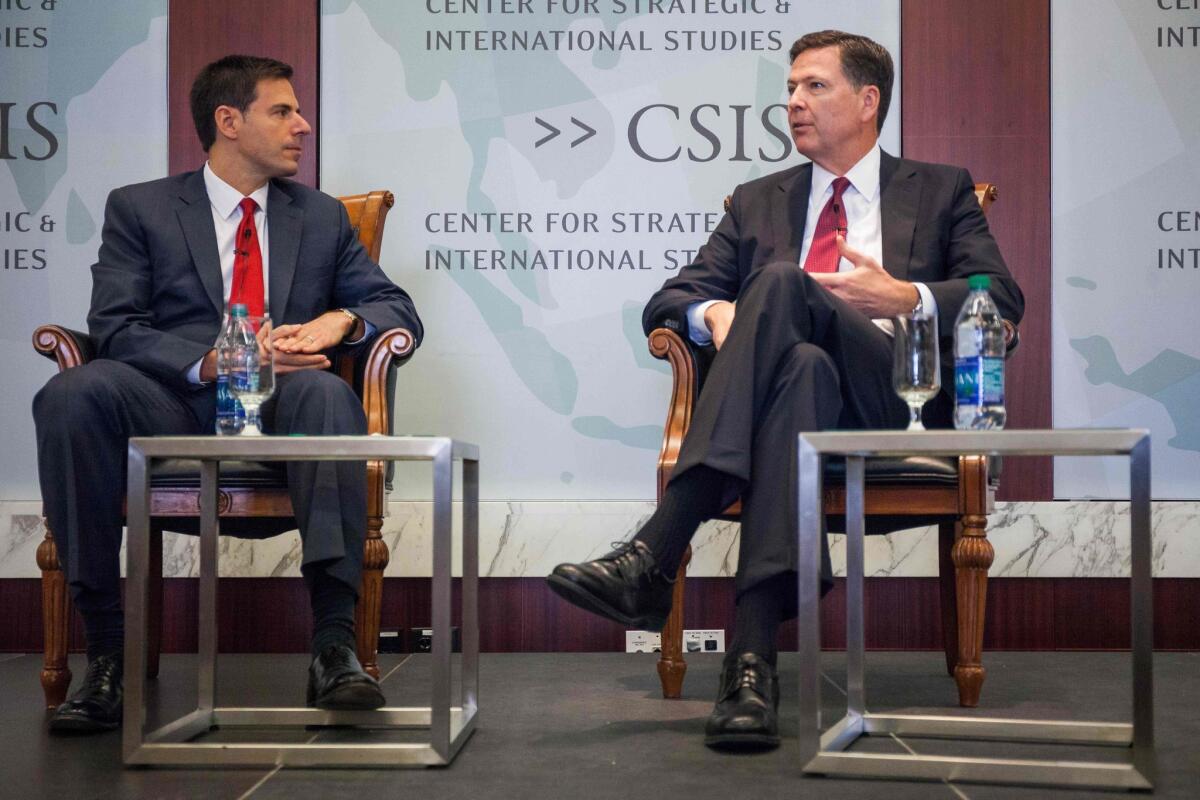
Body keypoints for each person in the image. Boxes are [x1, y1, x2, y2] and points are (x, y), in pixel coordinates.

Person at [547, 30, 1024, 750]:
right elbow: (670, 299)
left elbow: (1001, 296)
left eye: (813, 87)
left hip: (898, 400)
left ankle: (658, 548)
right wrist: (713, 313)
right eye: (790, 90)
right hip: (803, 404)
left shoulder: (941, 188)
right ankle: (749, 668)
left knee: (777, 281)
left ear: (868, 101)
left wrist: (904, 296)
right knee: (799, 368)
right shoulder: (759, 201)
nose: (793, 103)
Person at [33, 54, 422, 733]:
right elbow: (115, 327)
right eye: (283, 111)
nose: (302, 126)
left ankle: (335, 648)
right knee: (72, 394)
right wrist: (213, 360)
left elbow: (394, 309)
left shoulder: (321, 218)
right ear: (229, 121)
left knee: (330, 398)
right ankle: (105, 654)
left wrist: (343, 319)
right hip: (172, 398)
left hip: (284, 402)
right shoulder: (142, 208)